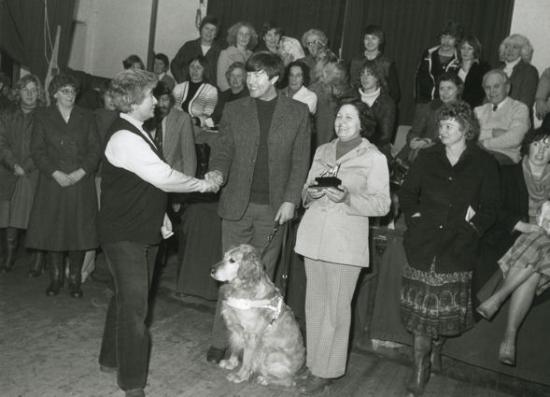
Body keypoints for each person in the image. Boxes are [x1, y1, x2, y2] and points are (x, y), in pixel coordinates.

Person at [97, 69, 217, 397]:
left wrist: (161, 215)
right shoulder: (124, 136)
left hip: (141, 229)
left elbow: (143, 184)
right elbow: (163, 177)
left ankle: (110, 358)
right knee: (136, 310)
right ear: (134, 100)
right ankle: (133, 384)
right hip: (124, 235)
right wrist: (203, 185)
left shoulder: (139, 129)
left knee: (126, 298)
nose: (156, 100)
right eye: (151, 95)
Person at [204, 51, 311, 364]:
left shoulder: (298, 112)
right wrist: (217, 172)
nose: (249, 80)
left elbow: (300, 161)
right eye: (248, 74)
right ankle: (222, 341)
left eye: (257, 75)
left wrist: (291, 199)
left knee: (262, 283)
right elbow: (222, 152)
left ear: (275, 78)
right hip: (237, 204)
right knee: (230, 277)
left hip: (274, 209)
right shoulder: (235, 110)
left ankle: (256, 346)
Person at [399, 101, 499, 396]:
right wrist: (414, 219)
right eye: (441, 125)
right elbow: (407, 193)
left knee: (442, 319)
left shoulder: (484, 163)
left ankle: (436, 347)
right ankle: (420, 367)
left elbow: (492, 208)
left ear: (466, 130)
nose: (441, 131)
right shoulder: (427, 157)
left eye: (449, 126)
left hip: (458, 246)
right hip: (423, 244)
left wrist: (473, 229)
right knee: (421, 316)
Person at [294, 100, 390, 394]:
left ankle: (327, 370)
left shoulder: (373, 158)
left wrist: (346, 197)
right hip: (313, 237)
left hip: (345, 242)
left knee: (336, 310)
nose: (341, 121)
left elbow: (382, 204)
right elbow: (305, 192)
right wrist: (312, 192)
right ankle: (314, 364)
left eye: (349, 117)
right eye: (338, 116)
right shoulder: (323, 150)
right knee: (315, 304)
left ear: (363, 124)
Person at [476, 127, 550, 366]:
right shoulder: (508, 173)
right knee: (537, 258)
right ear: (527, 146)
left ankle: (498, 298)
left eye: (548, 146)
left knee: (542, 244)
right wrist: (523, 226)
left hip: (546, 243)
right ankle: (510, 336)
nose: (542, 150)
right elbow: (494, 209)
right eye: (537, 144)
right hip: (513, 237)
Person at [26, 74, 101, 297]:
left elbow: (95, 149)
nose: (70, 95)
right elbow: (37, 150)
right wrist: (55, 172)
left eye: (73, 91)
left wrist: (81, 172)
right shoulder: (42, 116)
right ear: (55, 93)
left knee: (78, 232)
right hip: (53, 182)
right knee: (54, 231)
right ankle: (56, 278)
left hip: (80, 182)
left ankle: (75, 279)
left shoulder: (87, 116)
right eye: (65, 91)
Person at [0, 74, 45, 275]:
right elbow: (1, 143)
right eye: (25, 89)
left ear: (39, 94)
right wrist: (14, 165)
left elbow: (45, 146)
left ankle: (37, 262)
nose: (29, 94)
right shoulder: (7, 114)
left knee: (36, 218)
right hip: (10, 173)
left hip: (35, 174)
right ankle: (8, 258)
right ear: (18, 92)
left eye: (33, 90)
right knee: (10, 217)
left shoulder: (45, 117)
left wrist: (26, 166)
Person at [402, 72, 464, 163]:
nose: (445, 93)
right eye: (442, 88)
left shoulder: (463, 111)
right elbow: (414, 131)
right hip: (419, 148)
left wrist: (428, 142)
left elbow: (455, 138)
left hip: (444, 152)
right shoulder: (431, 106)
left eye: (449, 88)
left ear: (458, 90)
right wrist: (413, 140)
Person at [475, 69, 530, 165]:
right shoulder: (478, 110)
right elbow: (470, 135)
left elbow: (514, 139)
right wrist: (493, 132)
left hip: (504, 158)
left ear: (507, 88)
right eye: (488, 87)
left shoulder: (519, 108)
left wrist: (483, 143)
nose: (492, 91)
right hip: (478, 155)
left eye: (496, 86)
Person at [349, 24, 400, 103]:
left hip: (380, 108)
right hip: (357, 105)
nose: (369, 42)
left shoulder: (387, 64)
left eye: (373, 38)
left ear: (380, 41)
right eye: (367, 38)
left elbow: (395, 94)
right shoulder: (354, 62)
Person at [415, 21, 462, 104]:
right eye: (443, 37)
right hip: (424, 102)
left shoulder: (460, 58)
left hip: (448, 104)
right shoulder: (428, 53)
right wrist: (418, 100)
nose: (446, 42)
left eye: (450, 38)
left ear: (457, 40)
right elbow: (418, 78)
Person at [357, 62, 396, 157]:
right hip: (350, 145)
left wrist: (363, 146)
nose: (365, 78)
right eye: (362, 74)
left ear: (377, 77)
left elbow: (385, 137)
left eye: (369, 74)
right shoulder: (352, 97)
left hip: (376, 148)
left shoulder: (387, 103)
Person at [171, 15, 222, 84]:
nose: (209, 32)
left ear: (216, 33)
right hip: (188, 89)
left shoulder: (220, 51)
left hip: (209, 91)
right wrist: (182, 81)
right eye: (206, 28)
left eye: (213, 30)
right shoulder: (189, 46)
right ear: (201, 29)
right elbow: (175, 65)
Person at [172, 56, 218, 128]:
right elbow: (173, 108)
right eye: (192, 66)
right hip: (176, 125)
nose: (194, 70)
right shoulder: (179, 88)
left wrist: (193, 121)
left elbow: (208, 116)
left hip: (198, 128)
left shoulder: (211, 90)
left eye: (198, 68)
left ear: (204, 70)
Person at [498, 34, 539, 111]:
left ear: (522, 51)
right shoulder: (498, 70)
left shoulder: (530, 71)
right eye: (507, 47)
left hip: (517, 118)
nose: (510, 50)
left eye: (515, 47)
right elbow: (487, 98)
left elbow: (526, 103)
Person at [216, 22, 258, 91]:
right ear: (235, 36)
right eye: (241, 34)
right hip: (231, 97)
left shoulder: (253, 56)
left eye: (247, 34)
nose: (244, 37)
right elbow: (221, 82)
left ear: (251, 37)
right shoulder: (225, 54)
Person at [457, 34, 491, 108]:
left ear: (475, 50)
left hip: (474, 109)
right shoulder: (453, 68)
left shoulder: (482, 69)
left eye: (470, 48)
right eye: (463, 48)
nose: (465, 51)